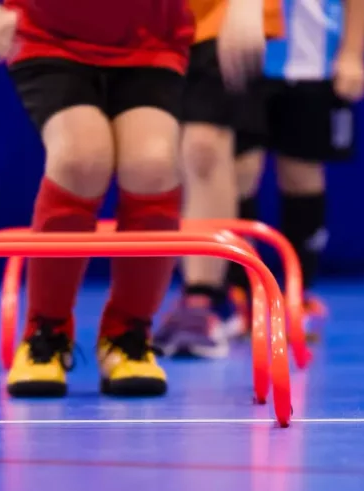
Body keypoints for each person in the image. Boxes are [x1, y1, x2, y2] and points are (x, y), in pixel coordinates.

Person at [0, 0, 267, 396]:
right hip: (50, 39)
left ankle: (128, 336)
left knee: (153, 165)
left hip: (150, 40)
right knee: (80, 158)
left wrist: (245, 7)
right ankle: (45, 334)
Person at [156, 0, 364, 357]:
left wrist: (352, 52)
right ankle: (236, 293)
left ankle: (296, 296)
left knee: (301, 172)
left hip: (312, 57)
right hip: (239, 48)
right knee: (238, 170)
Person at [153, 0, 284, 359]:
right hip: (148, 19)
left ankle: (203, 297)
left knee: (204, 147)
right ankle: (229, 287)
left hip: (223, 13)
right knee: (174, 156)